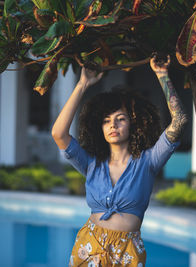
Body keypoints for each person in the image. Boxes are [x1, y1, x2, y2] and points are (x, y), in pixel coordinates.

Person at [51, 54, 188, 267]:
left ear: (134, 124)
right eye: (106, 121)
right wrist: (83, 83)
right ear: (100, 127)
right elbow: (59, 134)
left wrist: (162, 75)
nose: (113, 125)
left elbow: (179, 122)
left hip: (127, 252)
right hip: (89, 245)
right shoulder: (92, 164)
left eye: (120, 119)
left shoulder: (148, 162)